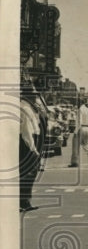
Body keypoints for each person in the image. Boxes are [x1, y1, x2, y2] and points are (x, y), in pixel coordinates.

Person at [19, 82, 43, 211]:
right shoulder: (25, 108)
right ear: (27, 96)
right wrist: (33, 148)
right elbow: (27, 130)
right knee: (29, 171)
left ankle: (24, 201)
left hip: (29, 140)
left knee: (28, 172)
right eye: (33, 96)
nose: (35, 99)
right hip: (27, 142)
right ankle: (24, 201)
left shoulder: (27, 106)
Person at [69, 100, 88, 168]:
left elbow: (79, 121)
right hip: (87, 128)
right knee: (85, 144)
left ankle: (74, 162)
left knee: (75, 145)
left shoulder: (80, 110)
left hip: (81, 128)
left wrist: (75, 131)